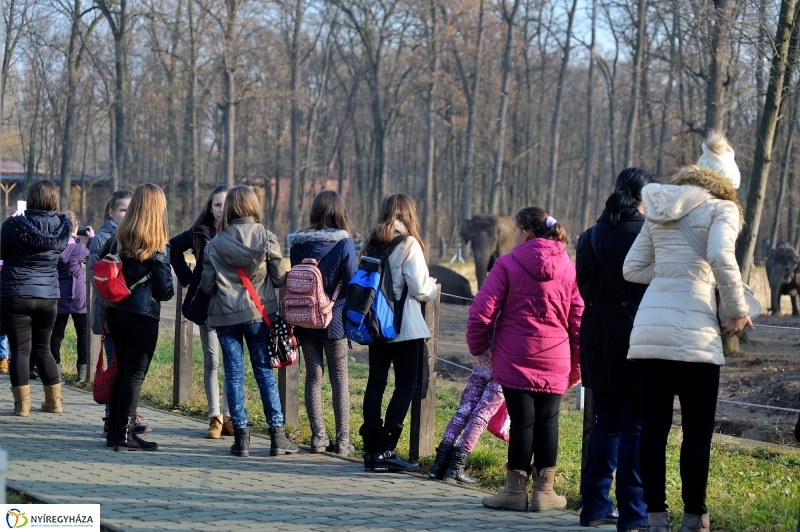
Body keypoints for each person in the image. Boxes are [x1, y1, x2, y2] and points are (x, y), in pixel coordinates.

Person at [623, 131, 751, 532]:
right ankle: (694, 518)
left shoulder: (660, 206)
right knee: (696, 432)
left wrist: (669, 275)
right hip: (697, 333)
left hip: (650, 331)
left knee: (653, 430)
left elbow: (632, 269)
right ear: (727, 182)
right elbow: (720, 256)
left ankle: (655, 518)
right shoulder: (723, 208)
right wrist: (736, 311)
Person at [470, 206, 583, 512]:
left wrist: (479, 348)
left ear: (525, 233)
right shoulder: (569, 267)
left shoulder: (507, 264)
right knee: (548, 422)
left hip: (514, 357)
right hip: (556, 358)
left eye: (515, 230)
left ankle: (514, 492)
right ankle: (545, 492)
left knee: (522, 421)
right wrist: (576, 366)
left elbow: (481, 312)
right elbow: (578, 322)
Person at [575, 168, 653, 531]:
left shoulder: (589, 236)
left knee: (604, 423)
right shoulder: (650, 234)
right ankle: (634, 513)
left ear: (613, 190)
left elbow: (584, 287)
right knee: (634, 426)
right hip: (639, 333)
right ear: (647, 198)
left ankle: (594, 506)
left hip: (597, 333)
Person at [200, 185, 298, 458]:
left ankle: (241, 439)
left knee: (233, 374)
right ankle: (277, 437)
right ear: (253, 206)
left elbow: (207, 285)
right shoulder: (267, 237)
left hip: (225, 315)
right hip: (258, 314)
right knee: (264, 372)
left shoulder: (215, 244)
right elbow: (279, 278)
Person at [360, 193, 437, 473]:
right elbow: (419, 288)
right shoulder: (408, 244)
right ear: (408, 213)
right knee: (406, 386)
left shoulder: (371, 242)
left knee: (376, 383)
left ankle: (370, 450)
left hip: (377, 324)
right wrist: (432, 287)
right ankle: (386, 450)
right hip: (403, 327)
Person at [102, 184, 174, 451]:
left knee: (122, 370)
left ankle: (114, 432)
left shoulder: (118, 236)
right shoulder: (156, 243)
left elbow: (102, 261)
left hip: (116, 310)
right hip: (142, 315)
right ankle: (125, 435)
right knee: (134, 374)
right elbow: (165, 290)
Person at [287, 190, 357, 455]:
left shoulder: (297, 244)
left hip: (304, 319)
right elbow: (351, 282)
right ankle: (343, 441)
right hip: (334, 319)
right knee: (339, 379)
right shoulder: (344, 244)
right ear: (339, 212)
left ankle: (318, 437)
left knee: (313, 377)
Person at [1, 180, 72, 416]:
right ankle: (55, 402)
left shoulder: (14, 225)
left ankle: (22, 406)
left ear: (31, 198)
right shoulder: (62, 227)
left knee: (20, 351)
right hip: (49, 295)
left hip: (17, 294)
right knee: (43, 349)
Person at [170, 185, 233, 439]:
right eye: (217, 204)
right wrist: (188, 279)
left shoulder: (240, 230)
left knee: (231, 361)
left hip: (231, 305)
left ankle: (229, 416)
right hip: (206, 303)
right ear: (210, 206)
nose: (221, 209)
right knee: (212, 360)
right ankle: (214, 417)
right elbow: (174, 247)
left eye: (226, 204)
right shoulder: (200, 231)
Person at [89, 189, 151, 436]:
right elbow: (99, 279)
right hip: (111, 312)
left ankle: (124, 416)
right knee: (117, 367)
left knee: (125, 367)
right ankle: (113, 419)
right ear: (111, 211)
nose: (128, 214)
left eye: (131, 209)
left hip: (128, 313)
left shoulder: (135, 235)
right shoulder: (103, 238)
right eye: (123, 209)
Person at [427, 364, 504, 484]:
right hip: (503, 369)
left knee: (462, 412)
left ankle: (438, 466)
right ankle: (455, 469)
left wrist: (479, 354)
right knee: (480, 417)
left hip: (483, 364)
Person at [50, 211, 94, 382]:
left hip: (59, 294)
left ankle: (55, 372)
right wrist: (91, 239)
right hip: (78, 296)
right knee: (82, 333)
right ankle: (82, 374)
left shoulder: (54, 247)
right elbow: (91, 255)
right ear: (75, 227)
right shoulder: (78, 248)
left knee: (56, 334)